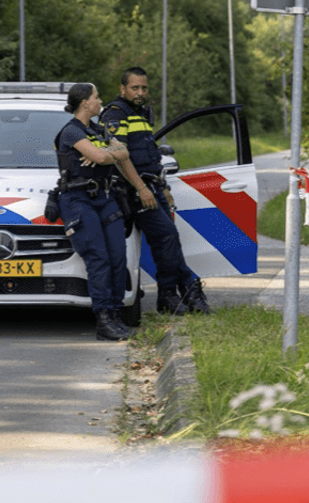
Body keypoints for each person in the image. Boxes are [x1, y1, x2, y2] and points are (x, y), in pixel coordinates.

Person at [100, 66, 211, 315]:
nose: (140, 92)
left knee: (167, 240)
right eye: (134, 88)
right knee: (167, 235)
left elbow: (150, 156)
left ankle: (172, 296)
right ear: (122, 89)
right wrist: (141, 188)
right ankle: (184, 291)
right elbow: (119, 157)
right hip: (133, 190)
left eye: (144, 88)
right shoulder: (116, 114)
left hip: (152, 186)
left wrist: (163, 187)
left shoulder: (140, 114)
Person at [54, 83, 153, 341]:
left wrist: (108, 152)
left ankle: (116, 314)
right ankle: (104, 320)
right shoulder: (71, 132)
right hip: (78, 200)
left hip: (105, 198)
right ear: (86, 103)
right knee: (99, 258)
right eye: (96, 98)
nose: (100, 102)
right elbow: (100, 157)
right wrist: (110, 153)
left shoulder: (97, 129)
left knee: (118, 257)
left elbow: (123, 153)